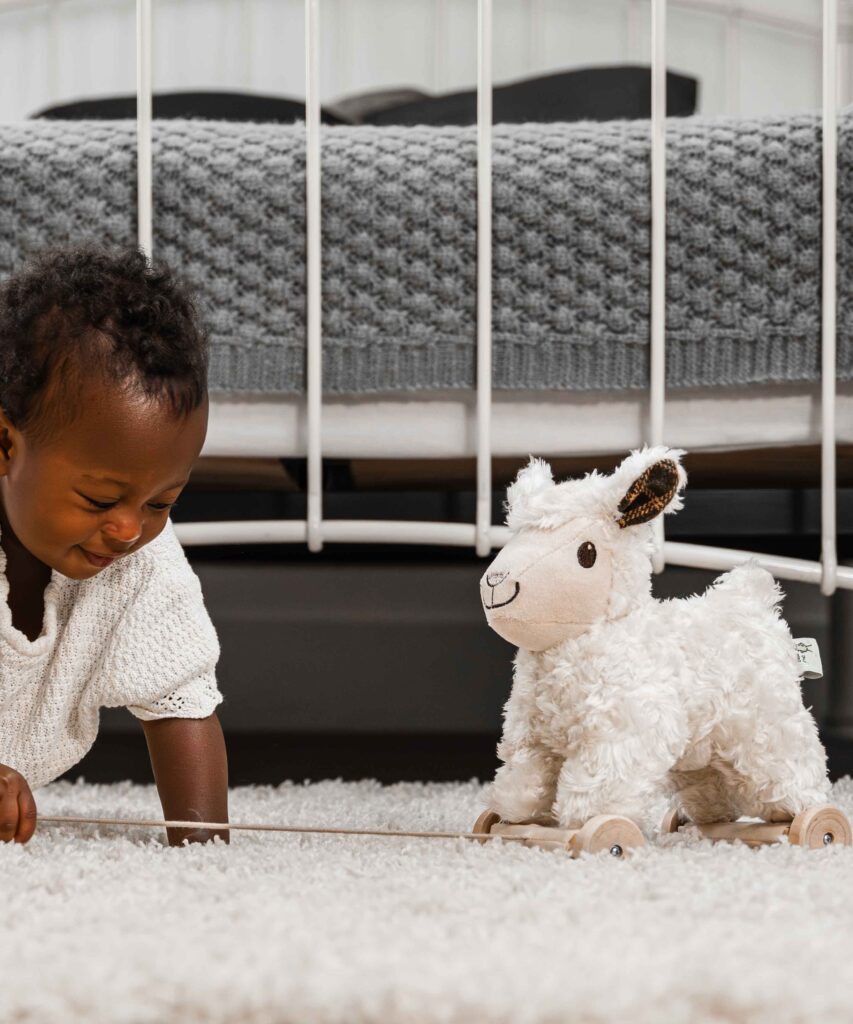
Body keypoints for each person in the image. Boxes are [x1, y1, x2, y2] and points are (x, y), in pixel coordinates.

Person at [0, 243, 228, 846]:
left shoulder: (140, 559)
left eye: (161, 503)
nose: (129, 530)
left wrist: (204, 849)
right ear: (4, 446)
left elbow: (181, 695)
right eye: (100, 500)